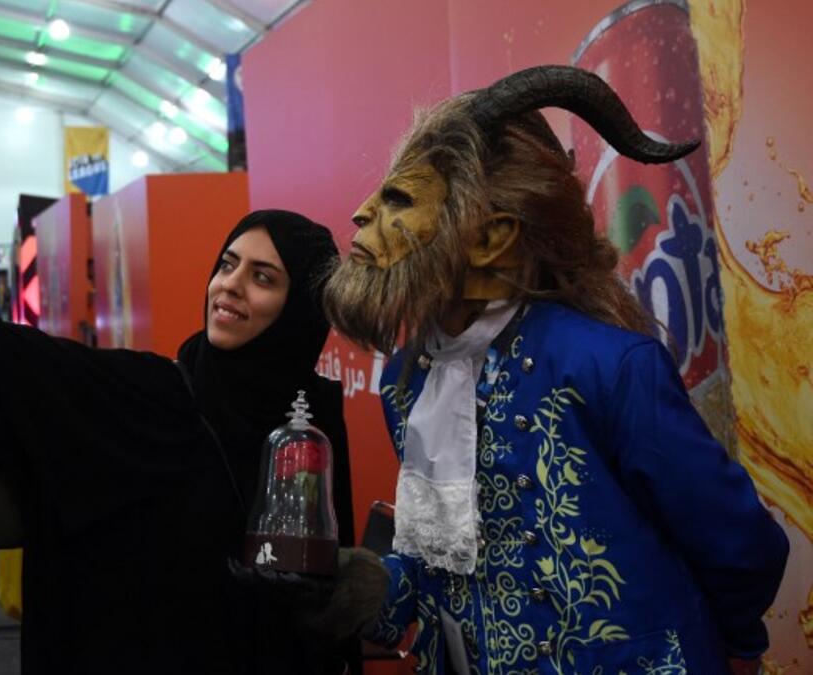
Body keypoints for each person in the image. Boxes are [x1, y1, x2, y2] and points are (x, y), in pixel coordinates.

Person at [0, 83, 359, 673]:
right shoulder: (157, 397)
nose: (229, 285)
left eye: (263, 277)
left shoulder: (312, 421)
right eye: (226, 264)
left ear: (299, 310)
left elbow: (325, 605)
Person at [319, 65, 790, 675]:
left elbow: (740, 545)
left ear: (491, 238)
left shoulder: (608, 367)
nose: (361, 215)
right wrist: (379, 588)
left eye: (400, 201)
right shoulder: (406, 382)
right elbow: (443, 561)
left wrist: (736, 647)